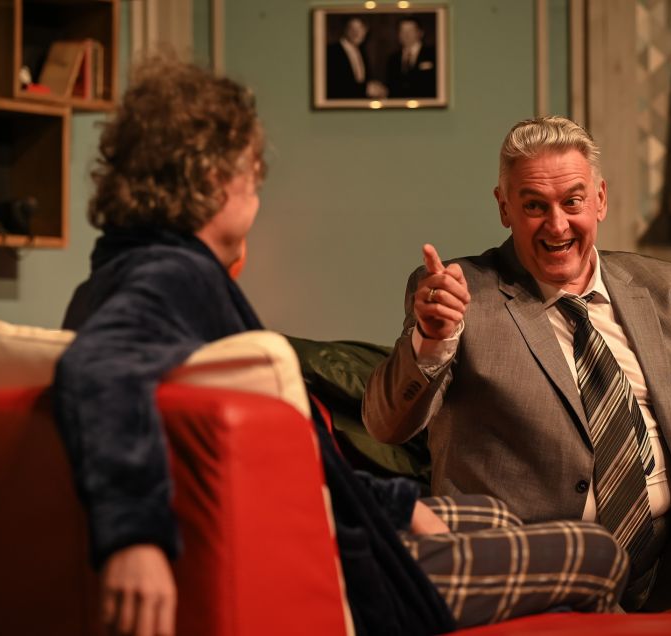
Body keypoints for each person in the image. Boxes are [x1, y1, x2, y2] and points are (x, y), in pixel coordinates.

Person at [53, 62, 628, 636]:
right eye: (250, 170)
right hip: (345, 570)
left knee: (494, 515)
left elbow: (285, 465)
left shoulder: (120, 270)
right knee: (597, 553)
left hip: (318, 523)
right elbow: (100, 368)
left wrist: (398, 507)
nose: (257, 183)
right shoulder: (169, 276)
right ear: (210, 178)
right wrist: (134, 538)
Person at [362, 115, 671, 614]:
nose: (557, 225)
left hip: (666, 547)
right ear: (504, 207)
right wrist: (432, 341)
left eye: (572, 202)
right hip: (543, 560)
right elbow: (385, 424)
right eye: (534, 205)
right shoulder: (462, 295)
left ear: (600, 199)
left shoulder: (663, 288)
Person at [326, 16, 383, 99]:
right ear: (345, 29)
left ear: (366, 31)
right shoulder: (331, 51)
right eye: (352, 28)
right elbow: (334, 86)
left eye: (361, 28)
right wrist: (366, 89)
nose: (356, 32)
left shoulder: (362, 52)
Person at [386, 17, 437, 98]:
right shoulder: (393, 59)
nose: (406, 35)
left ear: (420, 33)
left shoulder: (433, 54)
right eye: (402, 31)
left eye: (410, 31)